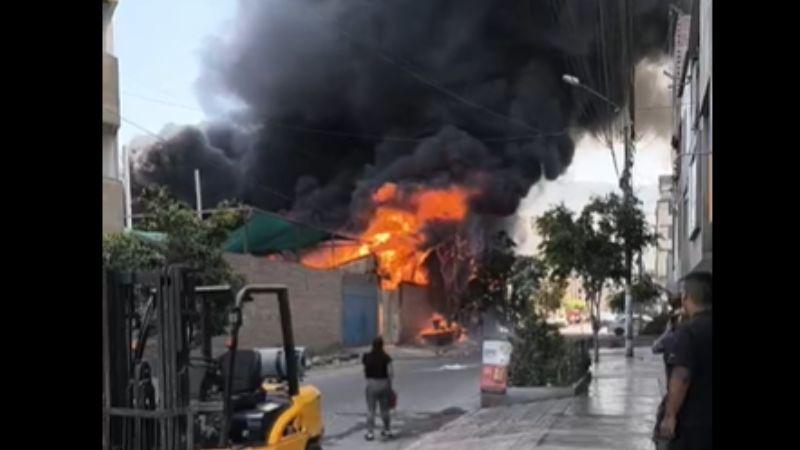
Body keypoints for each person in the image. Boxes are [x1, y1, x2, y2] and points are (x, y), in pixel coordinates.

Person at [659, 271, 712, 450]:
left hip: (693, 427)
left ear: (686, 297)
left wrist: (670, 416)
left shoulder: (689, 332)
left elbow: (682, 375)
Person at [362, 337, 394, 441]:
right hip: (384, 384)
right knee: (385, 410)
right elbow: (391, 373)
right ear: (382, 345)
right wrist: (389, 386)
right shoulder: (386, 357)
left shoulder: (366, 357)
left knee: (371, 410)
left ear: (372, 345)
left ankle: (370, 433)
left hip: (371, 384)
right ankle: (387, 430)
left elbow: (365, 369)